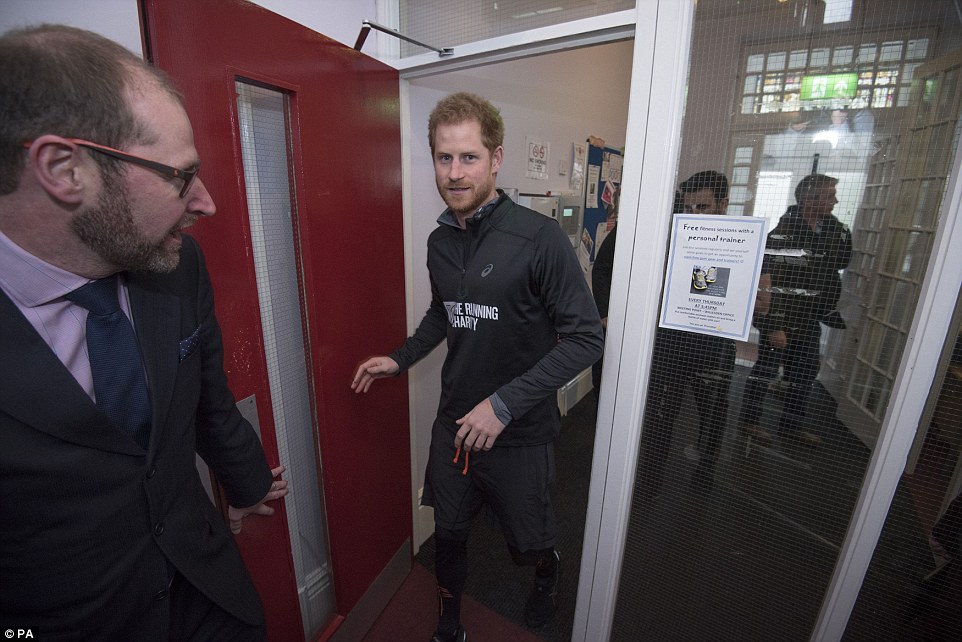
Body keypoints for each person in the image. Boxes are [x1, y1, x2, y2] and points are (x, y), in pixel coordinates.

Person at [0, 25, 288, 640]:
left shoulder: (177, 266)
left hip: (209, 595)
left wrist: (249, 482)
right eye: (180, 176)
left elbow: (209, 392)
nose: (206, 202)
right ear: (63, 168)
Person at [351, 92, 603, 641]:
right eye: (445, 158)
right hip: (455, 427)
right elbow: (444, 313)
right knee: (450, 533)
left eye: (469, 157)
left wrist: (504, 405)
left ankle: (547, 569)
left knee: (525, 543)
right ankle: (449, 625)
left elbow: (587, 339)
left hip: (519, 431)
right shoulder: (440, 241)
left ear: (496, 159)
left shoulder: (539, 239)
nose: (456, 172)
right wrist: (399, 359)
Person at [637, 171, 736, 496]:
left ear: (723, 204)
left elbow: (752, 299)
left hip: (713, 346)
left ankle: (704, 475)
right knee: (660, 415)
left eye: (703, 207)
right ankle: (648, 482)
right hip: (672, 342)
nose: (694, 214)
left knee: (712, 414)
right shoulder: (671, 237)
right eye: (689, 207)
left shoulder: (738, 243)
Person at [739, 174, 852, 447]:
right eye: (828, 196)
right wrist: (774, 326)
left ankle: (791, 426)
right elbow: (765, 286)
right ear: (808, 200)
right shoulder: (782, 235)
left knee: (803, 373)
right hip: (782, 317)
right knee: (766, 370)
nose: (835, 201)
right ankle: (750, 421)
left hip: (810, 316)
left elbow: (841, 261)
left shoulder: (833, 230)